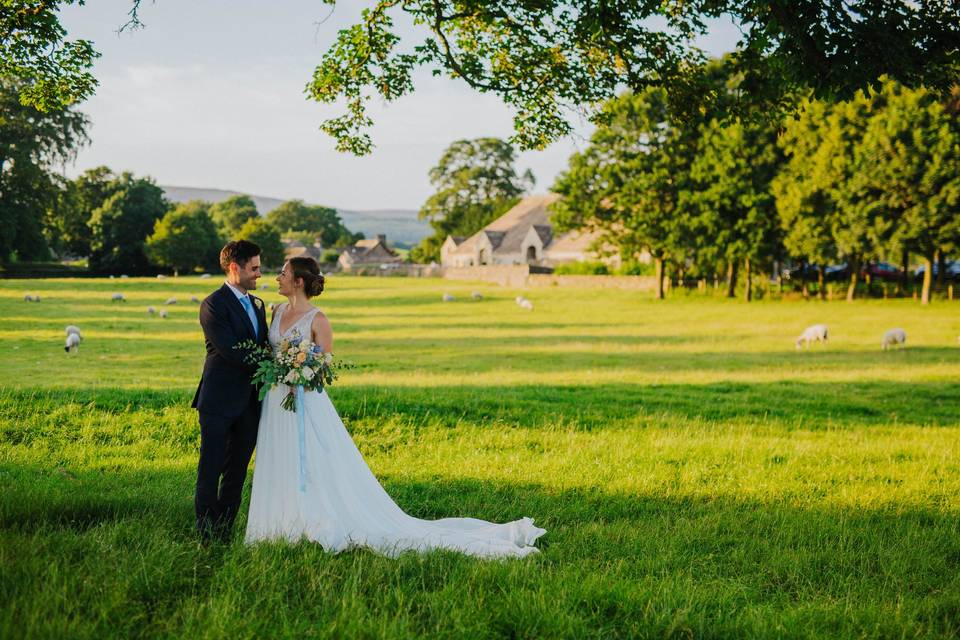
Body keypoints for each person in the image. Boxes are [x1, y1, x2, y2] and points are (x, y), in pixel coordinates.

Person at [245, 256, 545, 558]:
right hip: (276, 400)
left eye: (283, 273)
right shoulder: (276, 310)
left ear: (298, 281)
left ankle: (315, 517)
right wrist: (280, 371)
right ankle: (281, 521)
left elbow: (324, 363)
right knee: (280, 455)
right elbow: (271, 352)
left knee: (313, 460)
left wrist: (301, 373)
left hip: (306, 400)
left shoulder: (318, 319)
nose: (277, 277)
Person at [192, 240, 268, 541]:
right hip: (219, 400)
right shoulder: (213, 304)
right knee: (210, 469)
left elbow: (260, 343)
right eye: (254, 268)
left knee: (237, 471)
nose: (259, 274)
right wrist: (276, 362)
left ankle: (225, 528)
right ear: (234, 267)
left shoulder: (258, 304)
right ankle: (206, 531)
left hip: (250, 402)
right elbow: (232, 350)